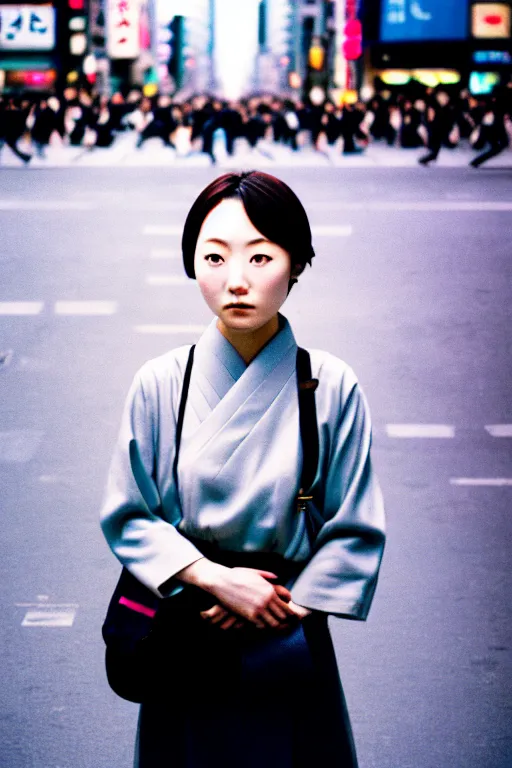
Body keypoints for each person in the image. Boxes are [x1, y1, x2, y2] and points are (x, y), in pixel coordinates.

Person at [100, 171, 386, 768]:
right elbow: (130, 516)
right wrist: (215, 580)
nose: (236, 280)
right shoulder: (160, 382)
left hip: (288, 637)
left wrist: (281, 604)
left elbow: (355, 526)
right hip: (188, 627)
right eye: (214, 257)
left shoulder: (331, 385)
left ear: (296, 263)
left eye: (261, 256)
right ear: (192, 263)